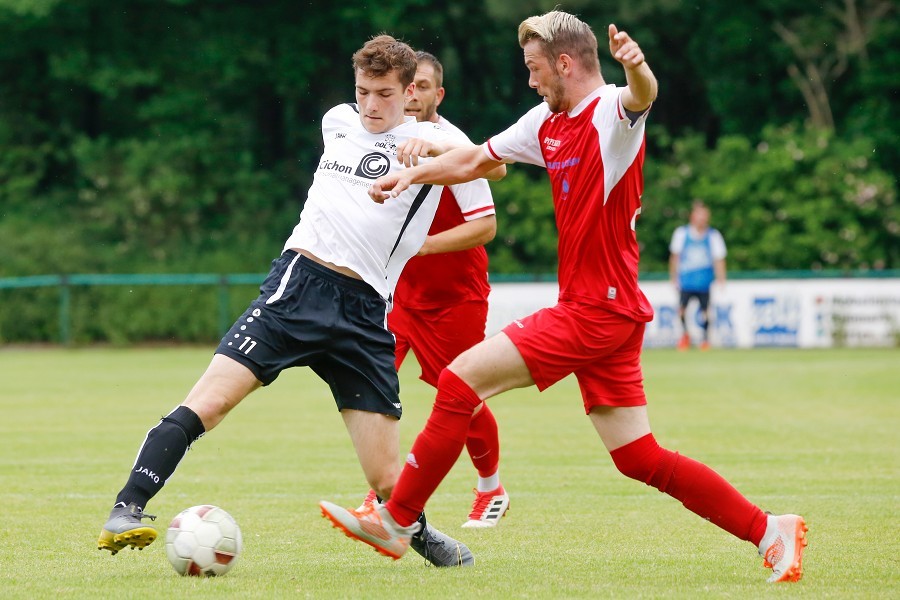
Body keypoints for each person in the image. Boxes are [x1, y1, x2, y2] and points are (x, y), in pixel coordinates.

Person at [320, 12, 808, 583]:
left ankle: (399, 519)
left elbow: (641, 96)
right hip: (609, 311)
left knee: (458, 380)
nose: (529, 80)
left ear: (565, 64)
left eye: (534, 69)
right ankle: (770, 528)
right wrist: (413, 174)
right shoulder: (546, 122)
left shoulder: (609, 113)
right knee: (638, 457)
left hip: (594, 309)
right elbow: (478, 158)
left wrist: (639, 67)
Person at [96, 34, 504, 568]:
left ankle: (418, 536)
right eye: (363, 92)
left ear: (410, 91)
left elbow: (492, 169)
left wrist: (430, 147)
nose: (371, 106)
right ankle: (127, 508)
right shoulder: (338, 119)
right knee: (211, 402)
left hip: (364, 312)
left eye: (384, 94)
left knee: (385, 476)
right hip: (298, 287)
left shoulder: (440, 139)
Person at [363, 51, 510, 529]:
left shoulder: (453, 144)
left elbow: (485, 226)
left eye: (423, 87)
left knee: (458, 391)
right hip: (400, 295)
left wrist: (419, 247)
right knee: (373, 380)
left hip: (455, 297)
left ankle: (491, 487)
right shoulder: (386, 138)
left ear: (437, 94)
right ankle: (380, 493)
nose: (412, 96)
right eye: (408, 87)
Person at [669, 201, 727, 351]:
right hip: (686, 281)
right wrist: (673, 277)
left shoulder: (713, 235)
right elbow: (675, 257)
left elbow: (719, 259)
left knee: (705, 311)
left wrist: (721, 278)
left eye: (705, 216)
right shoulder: (682, 233)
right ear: (692, 216)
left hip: (704, 281)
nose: (702, 219)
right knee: (682, 310)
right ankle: (685, 335)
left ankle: (705, 339)